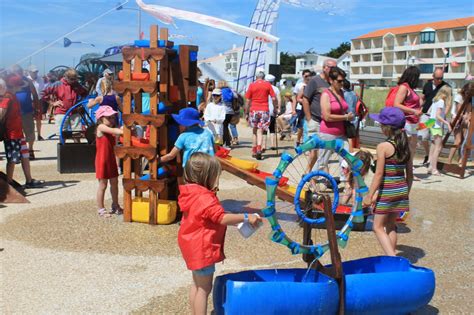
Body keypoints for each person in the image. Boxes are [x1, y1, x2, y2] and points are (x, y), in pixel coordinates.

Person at [177, 152, 262, 315]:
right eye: (215, 176)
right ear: (206, 176)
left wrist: (236, 221)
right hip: (202, 248)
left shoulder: (190, 193)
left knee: (196, 284)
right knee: (204, 288)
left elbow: (209, 218)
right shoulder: (205, 198)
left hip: (191, 245)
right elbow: (221, 218)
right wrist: (246, 216)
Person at [364, 107, 413, 256]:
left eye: (380, 124)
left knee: (377, 227)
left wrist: (369, 195)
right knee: (391, 225)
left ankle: (393, 259)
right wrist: (405, 193)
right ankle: (391, 259)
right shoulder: (406, 146)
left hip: (388, 192)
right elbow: (409, 174)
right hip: (401, 190)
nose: (380, 127)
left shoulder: (383, 147)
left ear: (387, 128)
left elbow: (378, 174)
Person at [0, 76, 44, 189]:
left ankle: (29, 180)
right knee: (12, 159)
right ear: (15, 86)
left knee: (24, 156)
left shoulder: (12, 96)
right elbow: (1, 113)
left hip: (18, 133)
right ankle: (9, 184)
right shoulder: (8, 97)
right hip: (12, 134)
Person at [316, 67, 353, 174]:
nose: (342, 83)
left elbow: (341, 110)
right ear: (331, 81)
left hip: (342, 133)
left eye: (343, 81)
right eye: (339, 81)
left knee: (346, 161)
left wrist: (347, 115)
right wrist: (346, 117)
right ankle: (311, 180)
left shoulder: (341, 93)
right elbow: (327, 116)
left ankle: (346, 185)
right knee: (322, 162)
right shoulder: (326, 94)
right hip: (328, 133)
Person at [302, 59, 337, 170]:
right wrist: (309, 119)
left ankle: (324, 176)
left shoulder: (333, 82)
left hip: (328, 122)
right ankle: (308, 175)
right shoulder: (315, 81)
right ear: (324, 68)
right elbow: (305, 99)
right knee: (315, 151)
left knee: (326, 152)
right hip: (316, 120)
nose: (334, 70)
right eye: (332, 67)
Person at [393, 66, 422, 176]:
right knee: (406, 148)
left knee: (412, 148)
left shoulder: (411, 89)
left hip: (413, 122)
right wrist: (413, 111)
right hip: (407, 121)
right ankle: (404, 171)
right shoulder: (404, 87)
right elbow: (397, 104)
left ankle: (409, 171)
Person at [94, 106, 123, 217]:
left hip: (111, 160)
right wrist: (122, 131)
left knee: (115, 183)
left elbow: (116, 138)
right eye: (108, 117)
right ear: (101, 118)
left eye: (112, 117)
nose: (111, 120)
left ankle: (115, 205)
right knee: (103, 185)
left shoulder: (113, 129)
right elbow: (114, 131)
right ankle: (101, 208)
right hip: (102, 161)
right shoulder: (101, 127)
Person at [42, 68, 88, 137]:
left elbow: (85, 93)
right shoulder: (57, 84)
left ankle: (77, 147)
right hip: (61, 113)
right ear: (66, 77)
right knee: (63, 134)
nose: (74, 81)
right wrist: (53, 103)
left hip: (75, 112)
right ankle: (64, 147)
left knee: (77, 133)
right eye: (72, 79)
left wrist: (80, 102)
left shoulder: (76, 85)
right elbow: (42, 93)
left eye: (75, 79)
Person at [420, 68, 450, 165]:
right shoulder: (427, 85)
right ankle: (428, 155)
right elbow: (423, 98)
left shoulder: (445, 86)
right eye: (438, 78)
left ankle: (431, 161)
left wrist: (443, 115)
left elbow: (448, 103)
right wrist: (419, 108)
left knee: (435, 139)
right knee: (422, 136)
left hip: (436, 118)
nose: (440, 80)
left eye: (441, 78)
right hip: (426, 115)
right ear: (433, 77)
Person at [244, 71, 276, 160]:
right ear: (264, 77)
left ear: (256, 77)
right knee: (260, 130)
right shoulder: (268, 85)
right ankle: (259, 148)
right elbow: (273, 98)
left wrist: (246, 112)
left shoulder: (252, 85)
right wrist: (275, 108)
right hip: (264, 110)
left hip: (254, 110)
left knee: (254, 130)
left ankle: (254, 149)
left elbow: (247, 100)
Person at [11, 64, 40, 159]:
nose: (18, 74)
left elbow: (35, 95)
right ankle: (19, 151)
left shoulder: (27, 81)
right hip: (14, 113)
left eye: (20, 72)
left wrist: (37, 108)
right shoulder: (10, 81)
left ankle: (30, 150)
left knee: (30, 132)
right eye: (16, 72)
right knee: (16, 133)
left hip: (26, 111)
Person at [427, 86, 452, 175]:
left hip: (432, 124)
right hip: (437, 126)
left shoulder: (435, 100)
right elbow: (438, 115)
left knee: (434, 146)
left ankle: (431, 166)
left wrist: (428, 125)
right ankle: (434, 169)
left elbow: (430, 113)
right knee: (438, 148)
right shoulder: (441, 101)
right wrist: (447, 123)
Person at [292, 69, 312, 146]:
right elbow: (295, 98)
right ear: (303, 76)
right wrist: (293, 109)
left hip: (310, 109)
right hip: (300, 108)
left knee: (307, 126)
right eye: (306, 76)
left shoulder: (312, 85)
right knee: (300, 126)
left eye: (309, 75)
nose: (308, 77)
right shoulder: (299, 85)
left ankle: (306, 142)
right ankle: (298, 140)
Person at [27, 65, 45, 141]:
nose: (35, 73)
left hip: (38, 100)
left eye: (36, 72)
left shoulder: (40, 79)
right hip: (28, 100)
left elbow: (41, 89)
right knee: (28, 119)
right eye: (33, 72)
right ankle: (29, 135)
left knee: (38, 119)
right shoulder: (27, 79)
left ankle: (39, 134)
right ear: (30, 72)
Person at [263, 74, 280, 151]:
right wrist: (278, 108)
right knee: (272, 127)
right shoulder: (276, 89)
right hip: (272, 110)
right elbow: (278, 100)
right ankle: (273, 144)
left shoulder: (263, 88)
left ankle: (263, 145)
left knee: (264, 128)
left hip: (264, 109)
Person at [218, 81, 236, 147]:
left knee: (223, 127)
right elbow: (236, 97)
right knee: (226, 126)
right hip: (230, 111)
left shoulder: (220, 91)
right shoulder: (230, 91)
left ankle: (226, 143)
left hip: (223, 111)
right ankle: (225, 142)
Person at [343, 79, 358, 152]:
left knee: (348, 137)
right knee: (351, 136)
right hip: (354, 116)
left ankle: (350, 151)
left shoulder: (344, 94)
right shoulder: (354, 93)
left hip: (347, 116)